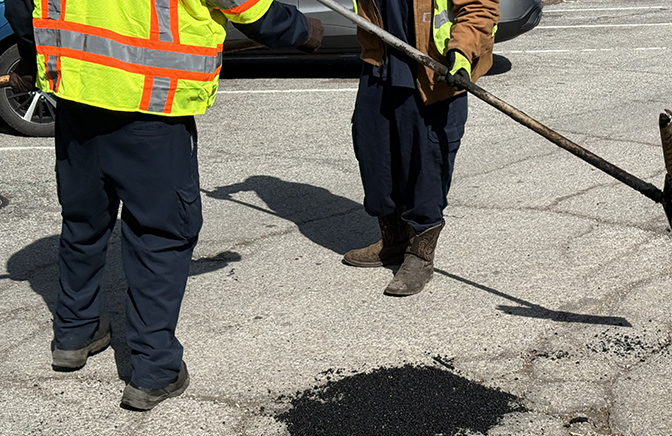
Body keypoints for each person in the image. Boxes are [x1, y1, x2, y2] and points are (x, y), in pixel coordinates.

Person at [5, 0, 323, 410]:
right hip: (150, 108)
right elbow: (248, 7)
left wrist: (33, 57)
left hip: (79, 99)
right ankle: (155, 370)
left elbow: (21, 7)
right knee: (160, 235)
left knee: (84, 222)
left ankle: (74, 333)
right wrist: (303, 30)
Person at [343, 0, 499, 296]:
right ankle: (394, 240)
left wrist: (462, 53)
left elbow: (479, 8)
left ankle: (420, 255)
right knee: (374, 153)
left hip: (433, 72)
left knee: (427, 165)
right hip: (380, 63)